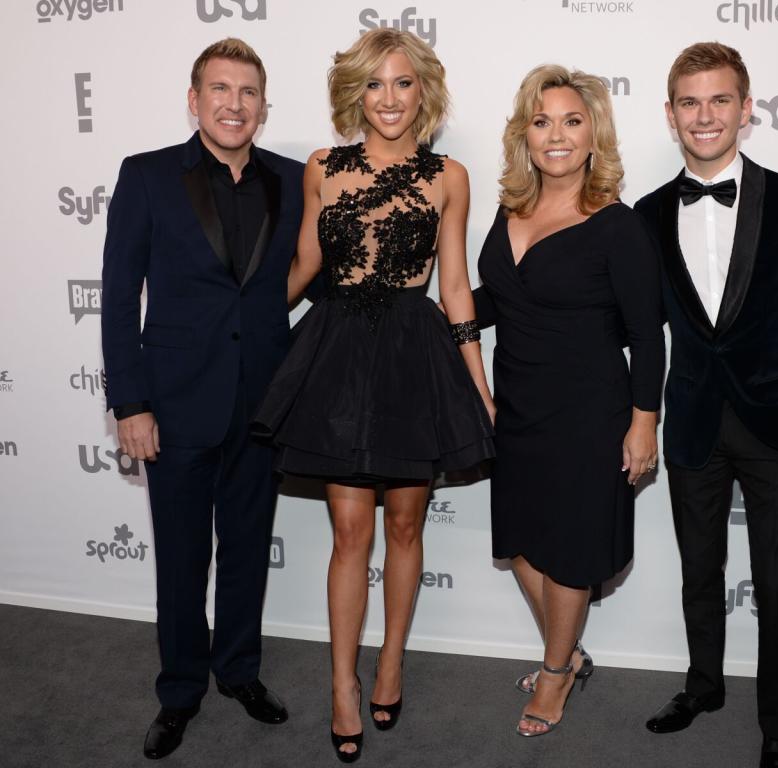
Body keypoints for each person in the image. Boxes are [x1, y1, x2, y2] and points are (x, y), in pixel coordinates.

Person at [251, 29, 495, 763]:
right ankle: (342, 686)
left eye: (402, 83)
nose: (388, 99)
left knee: (406, 530)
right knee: (350, 534)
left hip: (412, 357)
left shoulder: (449, 175)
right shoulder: (323, 167)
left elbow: (454, 285)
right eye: (374, 85)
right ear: (356, 93)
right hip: (338, 351)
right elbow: (302, 262)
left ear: (425, 91)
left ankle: (390, 661)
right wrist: (239, 332)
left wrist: (478, 385)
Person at [634, 42, 778, 768]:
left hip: (776, 420)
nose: (705, 115)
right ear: (670, 115)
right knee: (699, 570)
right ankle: (703, 687)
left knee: (774, 582)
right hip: (693, 420)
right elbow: (631, 324)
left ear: (746, 108)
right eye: (690, 103)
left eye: (719, 100)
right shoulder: (648, 212)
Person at [101, 38, 304, 760]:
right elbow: (121, 299)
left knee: (247, 552)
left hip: (260, 406)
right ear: (195, 100)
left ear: (263, 104)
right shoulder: (148, 176)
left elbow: (296, 280)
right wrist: (131, 404)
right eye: (220, 90)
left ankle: (239, 672)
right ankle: (180, 689)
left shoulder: (292, 179)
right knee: (182, 561)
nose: (234, 104)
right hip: (175, 406)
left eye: (248, 92)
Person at [472, 65, 664, 737]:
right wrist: (446, 314)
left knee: (572, 552)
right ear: (525, 132)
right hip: (515, 407)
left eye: (572, 121)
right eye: (543, 120)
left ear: (594, 135)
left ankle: (555, 676)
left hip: (589, 412)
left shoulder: (618, 226)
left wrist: (645, 424)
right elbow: (502, 298)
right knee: (522, 544)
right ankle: (570, 650)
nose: (557, 135)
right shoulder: (511, 210)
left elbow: (647, 334)